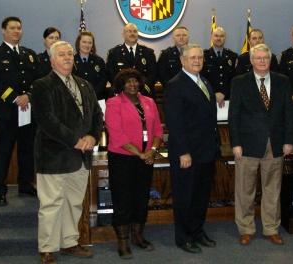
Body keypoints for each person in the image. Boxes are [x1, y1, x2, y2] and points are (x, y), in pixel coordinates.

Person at [31, 41, 103, 263]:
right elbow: (48, 121)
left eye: (69, 54)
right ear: (52, 60)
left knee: (73, 202)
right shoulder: (42, 85)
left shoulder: (84, 85)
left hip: (81, 157)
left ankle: (69, 242)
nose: (67, 58)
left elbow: (97, 114)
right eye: (61, 55)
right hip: (53, 155)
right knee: (51, 204)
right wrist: (76, 140)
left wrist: (92, 136)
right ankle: (46, 248)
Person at [229, 44, 293, 246]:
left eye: (265, 58)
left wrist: (288, 140)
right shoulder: (240, 82)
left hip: (275, 144)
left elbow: (288, 114)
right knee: (245, 189)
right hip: (247, 145)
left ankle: (271, 228)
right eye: (258, 58)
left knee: (273, 189)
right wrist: (236, 143)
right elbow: (234, 115)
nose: (262, 61)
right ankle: (246, 228)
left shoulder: (282, 81)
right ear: (251, 61)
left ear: (270, 59)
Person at [164, 43, 220, 254]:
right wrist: (183, 152)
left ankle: (197, 231)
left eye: (200, 57)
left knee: (200, 195)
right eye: (192, 58)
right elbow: (174, 123)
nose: (197, 61)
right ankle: (184, 237)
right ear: (182, 60)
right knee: (184, 196)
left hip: (205, 151)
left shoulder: (204, 81)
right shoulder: (175, 84)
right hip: (186, 153)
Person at [0, 16, 41, 206]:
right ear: (3, 31)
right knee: (3, 151)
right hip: (7, 111)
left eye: (19, 28)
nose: (17, 31)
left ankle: (25, 184)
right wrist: (15, 97)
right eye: (12, 28)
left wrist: (29, 95)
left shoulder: (29, 54)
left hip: (27, 110)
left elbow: (38, 80)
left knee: (26, 149)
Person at [105, 68, 163, 259]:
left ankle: (138, 236)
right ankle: (122, 241)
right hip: (123, 158)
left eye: (135, 81)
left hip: (146, 158)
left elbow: (157, 130)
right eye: (128, 82)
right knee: (123, 200)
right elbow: (116, 134)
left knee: (140, 198)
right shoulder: (113, 103)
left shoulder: (149, 101)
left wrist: (152, 151)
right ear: (122, 85)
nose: (132, 84)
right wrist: (140, 153)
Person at [106, 23, 157, 99]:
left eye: (134, 31)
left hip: (144, 95)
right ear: (123, 34)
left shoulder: (148, 53)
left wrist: (141, 90)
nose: (132, 34)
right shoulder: (114, 53)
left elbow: (153, 74)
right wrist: (125, 90)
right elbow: (112, 75)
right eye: (129, 31)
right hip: (121, 95)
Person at [201, 27, 238, 107]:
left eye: (221, 36)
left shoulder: (233, 56)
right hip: (208, 98)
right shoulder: (203, 56)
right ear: (211, 37)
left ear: (225, 38)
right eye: (216, 36)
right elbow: (202, 78)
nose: (219, 38)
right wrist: (214, 93)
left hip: (229, 99)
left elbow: (235, 78)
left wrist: (224, 93)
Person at [73, 31, 108, 101]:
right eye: (84, 42)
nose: (87, 45)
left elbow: (103, 81)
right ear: (78, 43)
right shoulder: (72, 60)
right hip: (77, 100)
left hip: (97, 99)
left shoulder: (99, 61)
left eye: (90, 43)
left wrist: (92, 93)